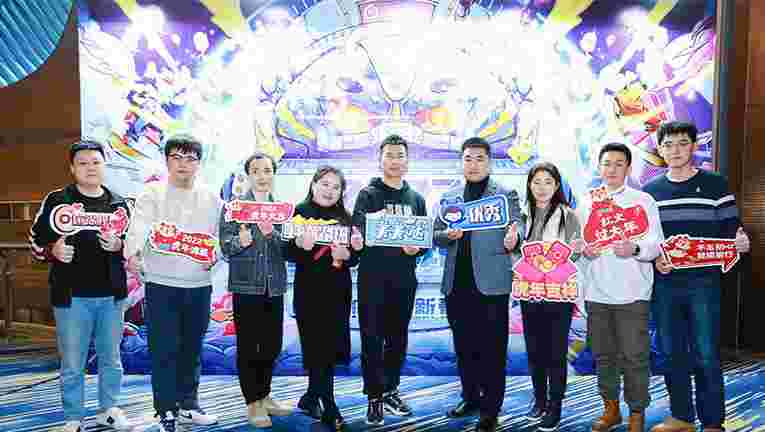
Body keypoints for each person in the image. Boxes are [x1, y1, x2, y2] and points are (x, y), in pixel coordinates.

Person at [644, 121, 751, 432]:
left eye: (682, 143)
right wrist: (655, 259)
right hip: (665, 283)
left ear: (693, 146)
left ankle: (713, 421)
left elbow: (731, 229)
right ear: (660, 150)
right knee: (671, 353)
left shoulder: (715, 184)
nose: (675, 150)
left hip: (705, 283)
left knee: (706, 353)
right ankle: (681, 417)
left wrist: (740, 241)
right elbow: (647, 240)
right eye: (668, 145)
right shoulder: (650, 192)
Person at [29, 140, 134, 432]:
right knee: (73, 362)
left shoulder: (120, 204)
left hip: (112, 295)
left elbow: (134, 245)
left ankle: (108, 410)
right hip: (72, 296)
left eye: (96, 162)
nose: (90, 168)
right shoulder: (57, 200)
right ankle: (73, 418)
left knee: (112, 358)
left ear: (104, 165)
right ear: (72, 168)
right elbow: (35, 240)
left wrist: (120, 245)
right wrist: (52, 251)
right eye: (83, 163)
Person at [124, 135, 220, 432]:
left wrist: (216, 254)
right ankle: (165, 408)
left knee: (192, 348)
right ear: (166, 161)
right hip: (161, 283)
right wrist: (133, 254)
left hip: (198, 283)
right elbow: (138, 228)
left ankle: (189, 405)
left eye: (190, 158)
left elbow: (219, 237)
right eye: (177, 157)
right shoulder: (152, 193)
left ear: (199, 163)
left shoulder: (211, 197)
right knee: (163, 349)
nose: (183, 164)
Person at [433, 137, 523, 432]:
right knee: (464, 346)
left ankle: (491, 409)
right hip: (456, 284)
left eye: (479, 158)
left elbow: (518, 225)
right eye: (468, 158)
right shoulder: (450, 196)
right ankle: (470, 397)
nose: (473, 164)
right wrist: (447, 236)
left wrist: (515, 237)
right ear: (461, 162)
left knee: (493, 350)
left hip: (491, 284)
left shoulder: (504, 194)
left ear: (489, 162)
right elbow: (435, 234)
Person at [581, 143, 664, 432]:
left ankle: (637, 413)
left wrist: (635, 248)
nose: (612, 169)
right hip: (596, 292)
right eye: (607, 163)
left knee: (635, 356)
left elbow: (656, 245)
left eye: (619, 163)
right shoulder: (587, 202)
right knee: (603, 356)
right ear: (599, 167)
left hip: (633, 293)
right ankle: (611, 409)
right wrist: (584, 250)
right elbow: (578, 247)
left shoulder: (643, 200)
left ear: (628, 168)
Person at [351, 134, 428, 426]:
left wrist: (416, 248)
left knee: (398, 338)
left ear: (407, 161)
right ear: (380, 159)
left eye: (400, 155)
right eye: (389, 155)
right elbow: (356, 230)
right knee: (372, 338)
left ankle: (391, 390)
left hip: (404, 279)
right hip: (372, 278)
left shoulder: (416, 199)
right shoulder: (368, 194)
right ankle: (374, 397)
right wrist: (373, 221)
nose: (395, 161)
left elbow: (422, 240)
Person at [287, 165, 364, 431]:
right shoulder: (298, 213)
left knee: (329, 348)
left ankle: (311, 397)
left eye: (336, 187)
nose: (330, 190)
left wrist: (350, 254)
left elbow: (355, 256)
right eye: (325, 184)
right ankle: (329, 406)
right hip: (309, 291)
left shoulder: (346, 217)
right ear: (313, 185)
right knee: (316, 347)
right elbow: (285, 251)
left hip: (338, 291)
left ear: (342, 192)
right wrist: (300, 246)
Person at [219, 152, 292, 428]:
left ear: (274, 174)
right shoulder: (234, 208)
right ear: (248, 175)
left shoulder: (283, 210)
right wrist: (240, 241)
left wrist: (272, 233)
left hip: (274, 287)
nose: (262, 176)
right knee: (249, 347)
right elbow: (225, 246)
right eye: (256, 171)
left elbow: (290, 250)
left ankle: (265, 395)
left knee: (272, 345)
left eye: (267, 170)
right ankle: (253, 401)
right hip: (246, 287)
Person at [518, 162, 583, 432]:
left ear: (556, 186)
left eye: (548, 182)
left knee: (555, 352)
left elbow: (575, 253)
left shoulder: (568, 215)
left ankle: (555, 405)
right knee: (534, 350)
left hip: (558, 293)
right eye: (537, 182)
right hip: (529, 292)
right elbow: (515, 253)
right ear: (529, 185)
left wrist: (574, 250)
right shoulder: (521, 215)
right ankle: (539, 400)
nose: (542, 187)